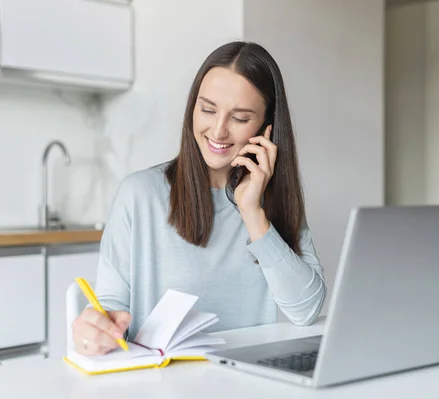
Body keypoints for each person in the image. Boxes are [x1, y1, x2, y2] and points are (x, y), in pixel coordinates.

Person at [71, 41, 327, 356]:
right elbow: (111, 309)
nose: (218, 131)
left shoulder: (268, 203)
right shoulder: (140, 194)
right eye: (207, 109)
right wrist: (95, 330)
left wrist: (253, 213)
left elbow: (307, 310)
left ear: (266, 127)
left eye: (240, 118)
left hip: (246, 380)